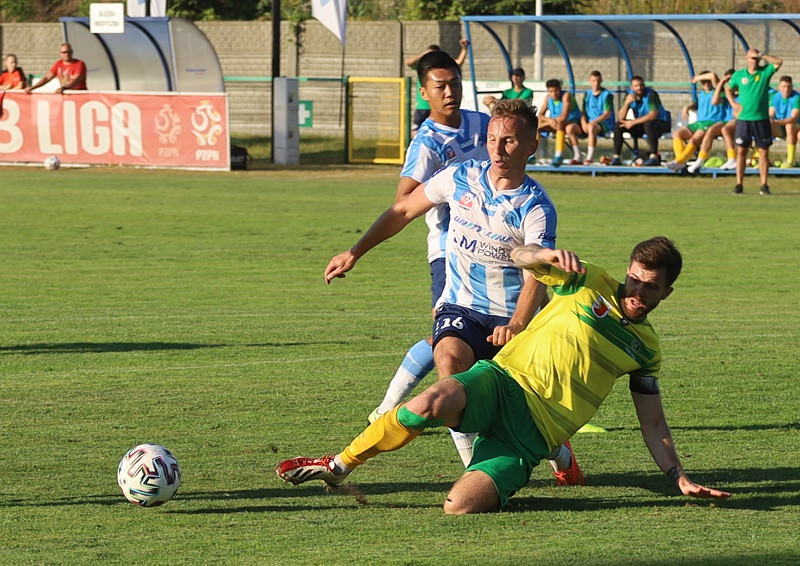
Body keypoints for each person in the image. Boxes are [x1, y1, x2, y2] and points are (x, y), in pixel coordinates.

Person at [277, 236, 732, 513]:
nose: (637, 291)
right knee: (426, 404)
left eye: (650, 286)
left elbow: (652, 420)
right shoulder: (587, 279)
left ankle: (530, 464)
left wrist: (677, 475)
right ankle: (337, 466)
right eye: (634, 278)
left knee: (458, 507)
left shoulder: (647, 349)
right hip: (501, 382)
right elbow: (518, 255)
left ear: (666, 292)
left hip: (531, 433)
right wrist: (543, 253)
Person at [323, 99, 579, 482]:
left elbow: (537, 274)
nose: (497, 149)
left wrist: (518, 323)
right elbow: (403, 210)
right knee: (449, 364)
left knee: (517, 413)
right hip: (461, 305)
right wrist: (355, 251)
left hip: (510, 317)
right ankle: (475, 473)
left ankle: (558, 452)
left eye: (509, 141)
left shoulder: (536, 206)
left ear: (531, 146)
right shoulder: (461, 177)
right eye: (492, 139)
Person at [725, 48, 782, 195]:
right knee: (742, 151)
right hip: (744, 119)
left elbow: (779, 62)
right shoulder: (739, 75)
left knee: (763, 152)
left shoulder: (764, 73)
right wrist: (732, 103)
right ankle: (739, 184)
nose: (754, 61)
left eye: (756, 59)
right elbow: (727, 88)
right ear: (746, 59)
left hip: (761, 119)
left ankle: (764, 184)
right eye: (752, 58)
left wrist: (762, 55)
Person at [665, 71, 728, 173]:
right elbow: (697, 105)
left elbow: (713, 75)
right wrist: (687, 107)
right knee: (677, 134)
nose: (706, 84)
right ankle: (680, 161)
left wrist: (697, 78)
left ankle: (679, 161)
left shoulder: (718, 91)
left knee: (694, 139)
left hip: (712, 122)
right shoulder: (702, 95)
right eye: (703, 82)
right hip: (699, 122)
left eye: (708, 81)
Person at [406, 40, 469, 136]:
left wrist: (464, 49)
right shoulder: (424, 67)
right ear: (423, 93)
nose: (449, 92)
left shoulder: (445, 68)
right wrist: (424, 55)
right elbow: (408, 62)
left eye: (454, 84)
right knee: (417, 131)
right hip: (422, 107)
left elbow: (458, 62)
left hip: (438, 111)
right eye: (440, 86)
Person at [610, 76, 670, 166]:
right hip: (643, 124)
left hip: (660, 123)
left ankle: (654, 156)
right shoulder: (629, 96)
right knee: (619, 125)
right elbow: (621, 117)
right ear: (632, 87)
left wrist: (632, 122)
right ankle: (616, 157)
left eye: (641, 85)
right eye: (636, 86)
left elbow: (653, 115)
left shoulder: (651, 95)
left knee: (648, 124)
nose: (639, 88)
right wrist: (627, 103)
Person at [687, 69, 738, 173]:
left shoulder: (744, 93)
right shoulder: (725, 93)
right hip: (726, 121)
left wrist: (696, 78)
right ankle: (700, 159)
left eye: (732, 80)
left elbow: (713, 75)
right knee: (711, 130)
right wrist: (721, 84)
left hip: (740, 120)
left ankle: (732, 158)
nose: (730, 83)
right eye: (728, 80)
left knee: (725, 129)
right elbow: (714, 101)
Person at [537, 79, 583, 166]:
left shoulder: (566, 95)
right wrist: (549, 120)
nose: (554, 94)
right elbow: (540, 115)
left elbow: (563, 117)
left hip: (573, 124)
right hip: (555, 124)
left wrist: (548, 122)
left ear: (560, 89)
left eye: (556, 91)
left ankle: (561, 156)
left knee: (566, 127)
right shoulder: (548, 98)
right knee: (536, 127)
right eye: (551, 91)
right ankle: (532, 155)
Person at [579, 70, 615, 165]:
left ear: (601, 81)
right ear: (590, 81)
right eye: (594, 81)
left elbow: (606, 114)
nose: (596, 83)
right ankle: (576, 156)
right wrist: (583, 122)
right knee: (570, 128)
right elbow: (583, 112)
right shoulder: (587, 94)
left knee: (591, 128)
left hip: (603, 124)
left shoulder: (607, 95)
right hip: (588, 123)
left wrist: (591, 123)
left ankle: (589, 157)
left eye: (598, 81)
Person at [769, 75, 799, 168]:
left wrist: (776, 122)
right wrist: (770, 120)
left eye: (788, 87)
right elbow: (771, 114)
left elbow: (793, 118)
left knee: (789, 126)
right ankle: (760, 158)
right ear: (779, 87)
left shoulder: (797, 98)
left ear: (792, 87)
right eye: (783, 86)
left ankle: (790, 161)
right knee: (764, 124)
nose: (786, 89)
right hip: (780, 127)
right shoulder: (775, 97)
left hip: (795, 127)